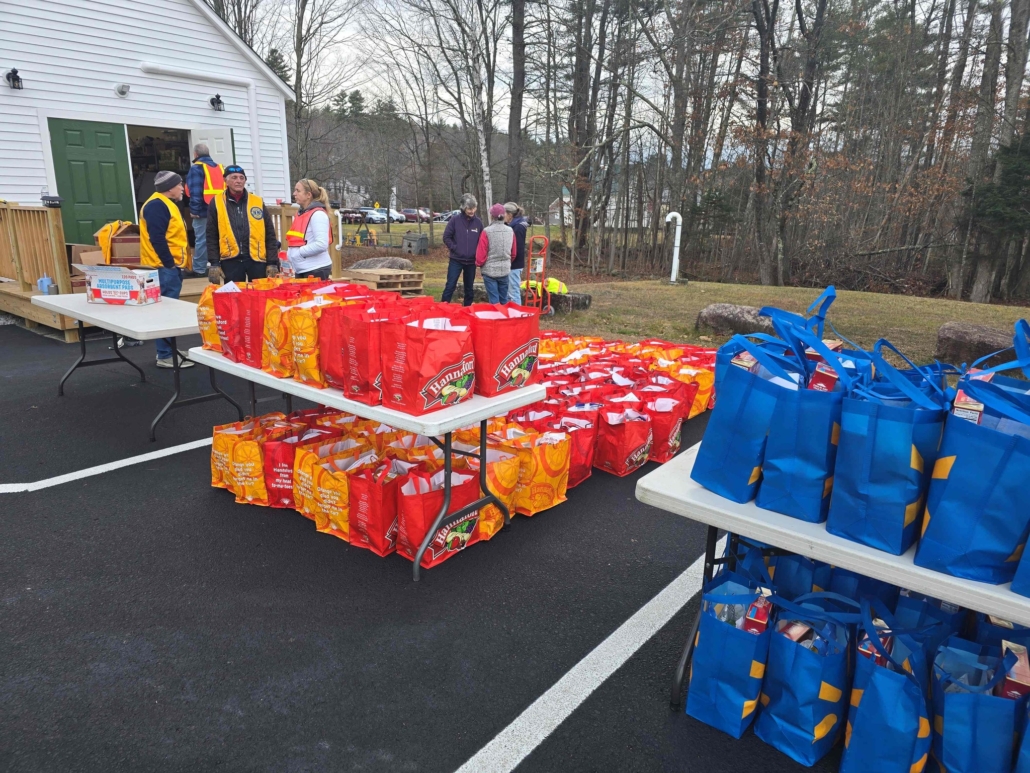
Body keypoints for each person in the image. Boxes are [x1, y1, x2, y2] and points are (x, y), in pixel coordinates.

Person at [139, 171, 195, 369]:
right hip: (163, 268)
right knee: (165, 312)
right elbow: (157, 238)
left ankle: (169, 351)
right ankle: (164, 355)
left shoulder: (164, 204)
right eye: (180, 184)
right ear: (170, 187)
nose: (182, 188)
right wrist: (169, 263)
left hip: (168, 266)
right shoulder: (157, 205)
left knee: (168, 311)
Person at [206, 165, 280, 284]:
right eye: (234, 177)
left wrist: (272, 262)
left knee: (259, 296)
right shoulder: (216, 202)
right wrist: (214, 263)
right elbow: (211, 235)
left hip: (256, 258)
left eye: (242, 178)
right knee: (233, 296)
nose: (238, 181)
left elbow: (270, 234)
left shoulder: (257, 202)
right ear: (226, 180)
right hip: (230, 259)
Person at [183, 143, 224, 277]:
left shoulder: (197, 168)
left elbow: (195, 191)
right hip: (220, 209)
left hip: (203, 210)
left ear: (196, 154)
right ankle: (217, 264)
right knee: (218, 238)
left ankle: (199, 269)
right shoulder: (219, 168)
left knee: (202, 239)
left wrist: (194, 210)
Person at [285, 179, 333, 280]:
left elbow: (321, 244)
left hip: (316, 269)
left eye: (298, 191)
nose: (294, 194)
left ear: (308, 195)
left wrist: (298, 253)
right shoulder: (301, 213)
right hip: (303, 269)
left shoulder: (318, 215)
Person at [441, 194, 483, 305]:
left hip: (471, 262)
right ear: (463, 208)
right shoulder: (455, 220)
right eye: (469, 208)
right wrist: (455, 248)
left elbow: (482, 241)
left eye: (474, 208)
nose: (472, 211)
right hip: (456, 260)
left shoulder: (478, 223)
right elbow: (446, 237)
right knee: (450, 285)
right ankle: (443, 308)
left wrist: (477, 254)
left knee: (469, 289)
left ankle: (467, 310)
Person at [475, 203, 517, 304]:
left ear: (491, 216)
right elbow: (514, 253)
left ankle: (495, 319)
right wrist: (507, 262)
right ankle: (504, 318)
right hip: (505, 270)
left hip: (490, 271)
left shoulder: (486, 231)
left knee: (494, 300)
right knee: (504, 299)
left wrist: (479, 264)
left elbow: (481, 254)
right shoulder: (510, 231)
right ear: (504, 215)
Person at [504, 202, 528, 303]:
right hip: (512, 263)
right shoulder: (514, 225)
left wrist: (510, 259)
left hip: (515, 264)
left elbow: (517, 247)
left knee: (513, 292)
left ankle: (517, 314)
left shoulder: (517, 227)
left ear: (510, 214)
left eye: (504, 213)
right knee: (509, 292)